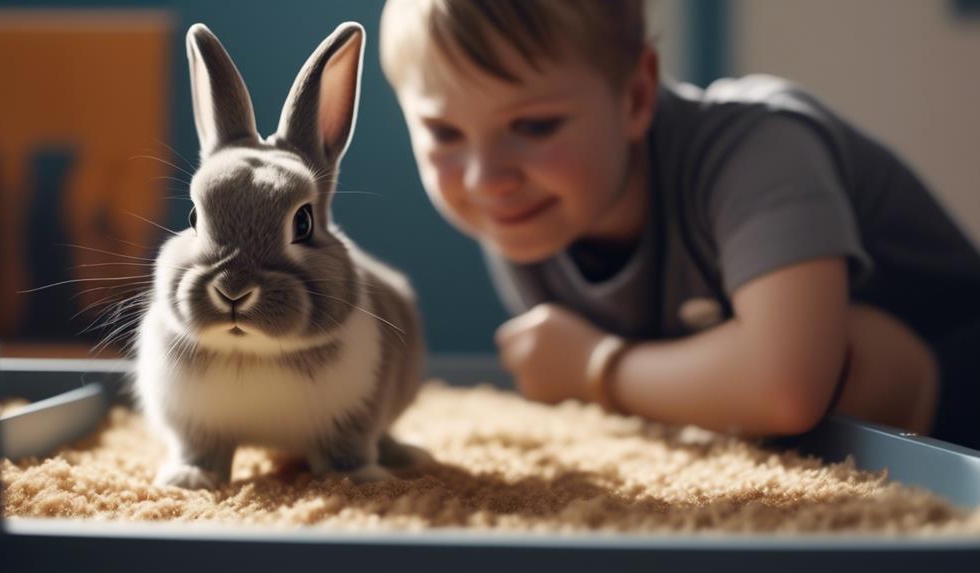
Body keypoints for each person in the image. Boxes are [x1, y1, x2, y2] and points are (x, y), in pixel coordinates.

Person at [378, 0, 980, 448]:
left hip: (955, 400)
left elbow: (786, 385)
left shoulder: (757, 147)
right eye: (445, 133)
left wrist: (593, 368)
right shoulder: (530, 212)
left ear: (636, 97)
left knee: (859, 351)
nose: (487, 179)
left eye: (534, 126)